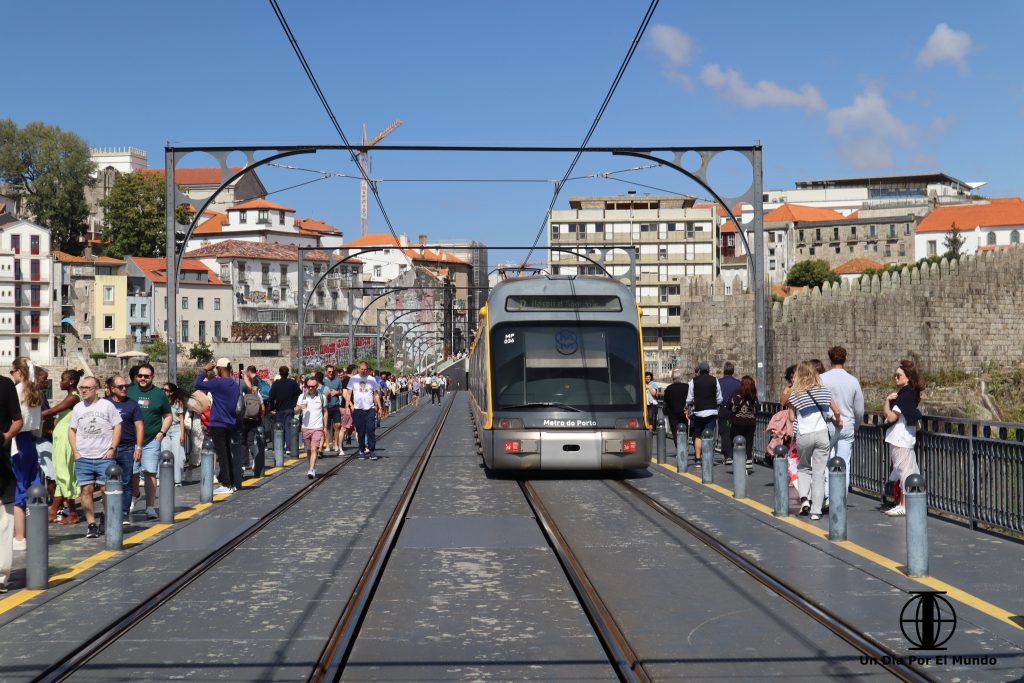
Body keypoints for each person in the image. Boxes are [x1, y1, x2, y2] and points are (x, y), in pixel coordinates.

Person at [788, 361, 843, 521]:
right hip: (821, 435)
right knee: (819, 473)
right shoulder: (824, 391)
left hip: (804, 435)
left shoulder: (795, 393)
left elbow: (791, 418)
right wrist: (837, 419)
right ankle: (816, 511)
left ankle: (805, 499)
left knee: (804, 468)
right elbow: (837, 411)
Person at [68, 376, 122, 539]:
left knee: (106, 490)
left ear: (96, 390)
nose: (83, 390)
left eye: (87, 388)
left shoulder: (107, 406)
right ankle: (91, 524)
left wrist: (112, 448)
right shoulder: (78, 408)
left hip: (104, 455)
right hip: (83, 455)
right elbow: (72, 430)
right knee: (86, 490)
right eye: (81, 387)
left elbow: (117, 426)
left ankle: (105, 516)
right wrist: (75, 451)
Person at [127, 363, 172, 520]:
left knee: (150, 472)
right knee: (132, 472)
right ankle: (135, 494)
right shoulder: (129, 391)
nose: (143, 379)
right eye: (140, 376)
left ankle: (150, 507)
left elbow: (168, 415)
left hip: (151, 440)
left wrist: (161, 433)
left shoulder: (159, 394)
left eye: (146, 376)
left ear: (152, 377)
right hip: (132, 440)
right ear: (136, 377)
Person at [820, 346, 865, 499]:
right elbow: (859, 409)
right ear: (845, 359)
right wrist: (856, 425)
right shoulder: (853, 381)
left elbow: (820, 403)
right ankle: (840, 497)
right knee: (844, 462)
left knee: (827, 460)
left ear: (830, 359)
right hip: (847, 425)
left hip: (828, 425)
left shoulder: (822, 379)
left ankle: (827, 494)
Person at [882, 360, 924, 517]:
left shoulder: (904, 395)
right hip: (905, 437)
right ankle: (906, 503)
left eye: (898, 375)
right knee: (908, 470)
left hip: (901, 438)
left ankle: (904, 505)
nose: (896, 378)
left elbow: (892, 417)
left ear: (907, 377)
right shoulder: (909, 394)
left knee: (905, 472)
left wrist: (886, 401)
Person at [195, 359, 244, 494]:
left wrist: (205, 370)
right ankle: (232, 482)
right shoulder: (234, 384)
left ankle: (226, 484)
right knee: (227, 452)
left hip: (217, 422)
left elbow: (197, 384)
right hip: (230, 422)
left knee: (222, 454)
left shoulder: (217, 382)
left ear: (220, 369)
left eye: (217, 369)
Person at [9, 358, 42, 550]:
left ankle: (19, 537)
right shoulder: (36, 392)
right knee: (32, 484)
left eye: (12, 371)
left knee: (18, 489)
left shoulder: (16, 391)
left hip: (17, 442)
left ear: (19, 372)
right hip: (30, 441)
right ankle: (33, 531)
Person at [42, 370, 82, 524]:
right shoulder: (70, 396)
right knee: (62, 474)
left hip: (66, 440)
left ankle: (54, 511)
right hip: (60, 438)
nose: (60, 382)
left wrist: (31, 416)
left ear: (71, 381)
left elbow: (53, 410)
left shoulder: (73, 397)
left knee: (64, 474)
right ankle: (72, 512)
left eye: (62, 379)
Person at [105, 375, 143, 525]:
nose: (124, 388)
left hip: (127, 447)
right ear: (112, 389)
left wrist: (138, 447)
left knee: (126, 481)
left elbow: (139, 426)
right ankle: (110, 511)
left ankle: (124, 512)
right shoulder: (105, 404)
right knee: (108, 481)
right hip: (109, 448)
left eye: (125, 386)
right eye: (120, 387)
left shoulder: (132, 404)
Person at [0, 372, 23, 592]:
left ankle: (1, 575)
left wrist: (5, 438)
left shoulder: (5, 385)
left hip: (2, 463)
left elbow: (18, 420)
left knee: (4, 520)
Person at [686, 362, 721, 467]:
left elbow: (689, 399)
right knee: (709, 435)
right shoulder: (715, 380)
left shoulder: (693, 381)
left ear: (700, 370)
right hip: (711, 411)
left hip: (698, 412)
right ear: (709, 370)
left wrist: (691, 404)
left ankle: (697, 459)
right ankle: (707, 458)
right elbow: (719, 398)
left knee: (698, 435)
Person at [345, 362, 383, 460]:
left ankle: (371, 451)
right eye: (362, 369)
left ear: (368, 369)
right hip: (358, 409)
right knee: (360, 431)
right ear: (358, 369)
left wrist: (379, 407)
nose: (364, 371)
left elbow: (376, 394)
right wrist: (347, 407)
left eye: (365, 369)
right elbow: (349, 394)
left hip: (370, 409)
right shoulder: (353, 379)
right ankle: (361, 450)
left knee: (370, 430)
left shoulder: (371, 379)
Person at [297, 376, 328, 478]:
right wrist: (299, 408)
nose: (310, 388)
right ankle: (312, 466)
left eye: (313, 386)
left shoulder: (322, 397)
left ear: (317, 386)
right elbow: (295, 410)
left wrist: (325, 426)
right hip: (305, 427)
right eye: (308, 386)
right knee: (309, 450)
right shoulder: (302, 397)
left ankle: (311, 470)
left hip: (317, 427)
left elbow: (325, 412)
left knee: (314, 448)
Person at [268, 366, 301, 456]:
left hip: (279, 409)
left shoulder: (276, 384)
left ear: (280, 373)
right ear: (288, 373)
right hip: (290, 408)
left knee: (279, 428)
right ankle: (289, 448)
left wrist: (272, 408)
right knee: (288, 428)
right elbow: (299, 392)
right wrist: (293, 401)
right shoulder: (292, 383)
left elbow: (270, 397)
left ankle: (280, 447)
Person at [662, 368, 689, 472]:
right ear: (680, 378)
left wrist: (666, 412)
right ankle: (685, 448)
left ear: (673, 378)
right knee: (684, 431)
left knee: (675, 432)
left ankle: (679, 450)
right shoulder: (686, 387)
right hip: (684, 412)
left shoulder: (668, 389)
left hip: (673, 414)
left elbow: (665, 402)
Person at [240, 366, 265, 476]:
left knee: (243, 441)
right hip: (255, 419)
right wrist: (260, 417)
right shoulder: (257, 393)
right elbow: (263, 408)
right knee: (251, 441)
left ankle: (244, 464)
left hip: (244, 420)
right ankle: (256, 459)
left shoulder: (243, 393)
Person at [729, 375, 759, 467]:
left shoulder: (736, 395)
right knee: (749, 441)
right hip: (750, 422)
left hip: (737, 421)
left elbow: (729, 405)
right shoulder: (754, 397)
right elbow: (757, 409)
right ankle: (749, 458)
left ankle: (737, 459)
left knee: (736, 440)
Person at [162, 383, 187, 485]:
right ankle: (166, 478)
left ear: (171, 392)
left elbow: (181, 419)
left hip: (176, 428)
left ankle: (177, 480)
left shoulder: (177, 402)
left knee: (177, 454)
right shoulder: (161, 401)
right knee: (164, 452)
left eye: (166, 390)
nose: (164, 391)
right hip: (164, 429)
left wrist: (182, 433)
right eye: (163, 389)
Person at [717, 362, 741, 465]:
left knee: (724, 432)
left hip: (723, 409)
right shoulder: (738, 383)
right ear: (733, 371)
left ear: (724, 370)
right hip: (734, 410)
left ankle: (728, 456)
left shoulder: (718, 382)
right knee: (734, 431)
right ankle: (736, 453)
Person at [322, 364, 344, 453]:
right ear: (326, 372)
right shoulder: (323, 381)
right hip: (326, 407)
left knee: (337, 425)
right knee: (326, 427)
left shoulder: (338, 380)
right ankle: (327, 444)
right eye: (329, 372)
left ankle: (335, 443)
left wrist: (337, 392)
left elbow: (341, 392)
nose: (331, 373)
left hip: (335, 406)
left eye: (332, 371)